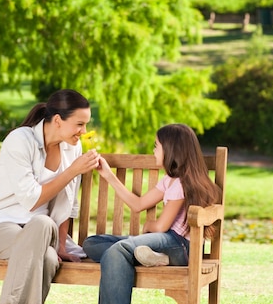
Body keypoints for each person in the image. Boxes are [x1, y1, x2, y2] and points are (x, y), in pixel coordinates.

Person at [0, 89, 101, 304]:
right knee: (47, 257)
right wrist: (72, 171)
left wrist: (60, 246)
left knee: (47, 238)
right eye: (79, 124)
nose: (83, 131)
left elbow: (68, 201)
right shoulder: (20, 140)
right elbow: (31, 200)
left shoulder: (72, 148)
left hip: (42, 233)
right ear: (58, 120)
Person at [82, 123, 222, 304]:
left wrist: (149, 226)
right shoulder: (169, 180)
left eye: (157, 146)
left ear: (171, 150)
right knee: (91, 243)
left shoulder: (182, 183)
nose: (154, 150)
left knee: (117, 252)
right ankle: (152, 257)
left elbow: (162, 226)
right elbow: (138, 204)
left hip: (181, 246)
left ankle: (152, 256)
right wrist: (108, 175)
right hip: (166, 243)